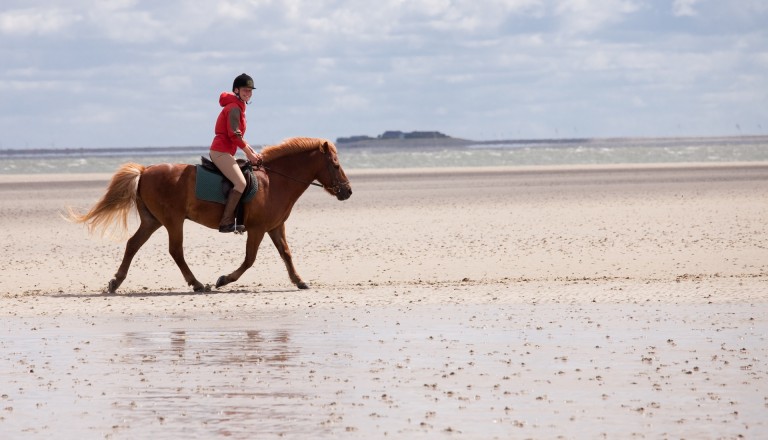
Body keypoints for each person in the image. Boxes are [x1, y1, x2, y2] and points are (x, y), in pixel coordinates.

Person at [210, 73, 262, 233]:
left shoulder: (238, 107)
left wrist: (253, 152)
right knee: (241, 183)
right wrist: (249, 154)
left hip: (226, 151)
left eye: (250, 91)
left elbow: (239, 137)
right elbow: (234, 135)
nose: (248, 93)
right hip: (220, 152)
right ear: (236, 90)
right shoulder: (234, 108)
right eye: (245, 90)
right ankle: (226, 222)